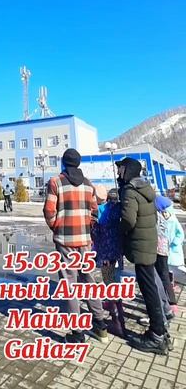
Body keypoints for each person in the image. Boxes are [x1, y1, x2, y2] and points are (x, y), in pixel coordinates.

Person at [43, 148, 108, 344]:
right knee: (89, 280)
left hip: (66, 242)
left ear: (64, 162)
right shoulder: (89, 185)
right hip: (85, 242)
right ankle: (100, 325)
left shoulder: (56, 182)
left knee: (69, 284)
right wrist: (87, 228)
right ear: (78, 163)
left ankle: (77, 333)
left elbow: (49, 210)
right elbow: (95, 212)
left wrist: (57, 227)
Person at [117, 157, 168, 354]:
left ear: (128, 171)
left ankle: (157, 335)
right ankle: (160, 332)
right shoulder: (146, 188)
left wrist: (120, 230)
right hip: (148, 242)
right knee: (151, 286)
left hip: (139, 245)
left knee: (148, 289)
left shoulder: (130, 191)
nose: (119, 172)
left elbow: (129, 219)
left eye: (121, 169)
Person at [92, 188, 126, 337]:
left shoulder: (99, 210)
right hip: (118, 253)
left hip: (105, 254)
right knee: (116, 283)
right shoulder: (118, 208)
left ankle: (117, 321)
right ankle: (120, 313)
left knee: (109, 284)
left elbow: (95, 234)